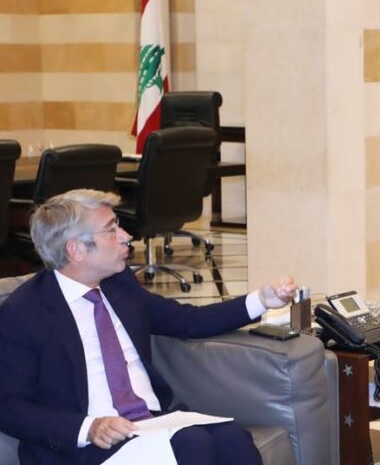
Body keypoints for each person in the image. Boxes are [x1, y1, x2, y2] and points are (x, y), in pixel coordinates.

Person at [0, 189, 297, 464]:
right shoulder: (24, 313)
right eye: (112, 229)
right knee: (192, 444)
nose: (126, 236)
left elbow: (187, 320)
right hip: (89, 446)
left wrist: (261, 301)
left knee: (232, 438)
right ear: (76, 249)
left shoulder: (119, 285)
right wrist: (89, 427)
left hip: (149, 423)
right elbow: (9, 407)